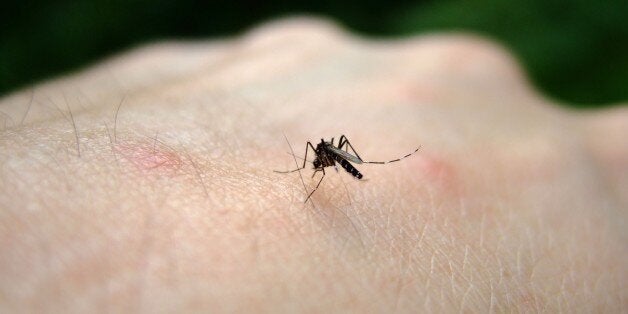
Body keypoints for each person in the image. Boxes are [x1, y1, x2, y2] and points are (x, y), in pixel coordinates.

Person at [0, 17, 625, 312]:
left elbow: (324, 149)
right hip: (339, 160)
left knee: (332, 152)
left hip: (350, 159)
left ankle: (353, 162)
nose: (319, 157)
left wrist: (336, 165)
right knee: (322, 154)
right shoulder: (318, 150)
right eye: (322, 157)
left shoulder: (329, 153)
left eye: (321, 156)